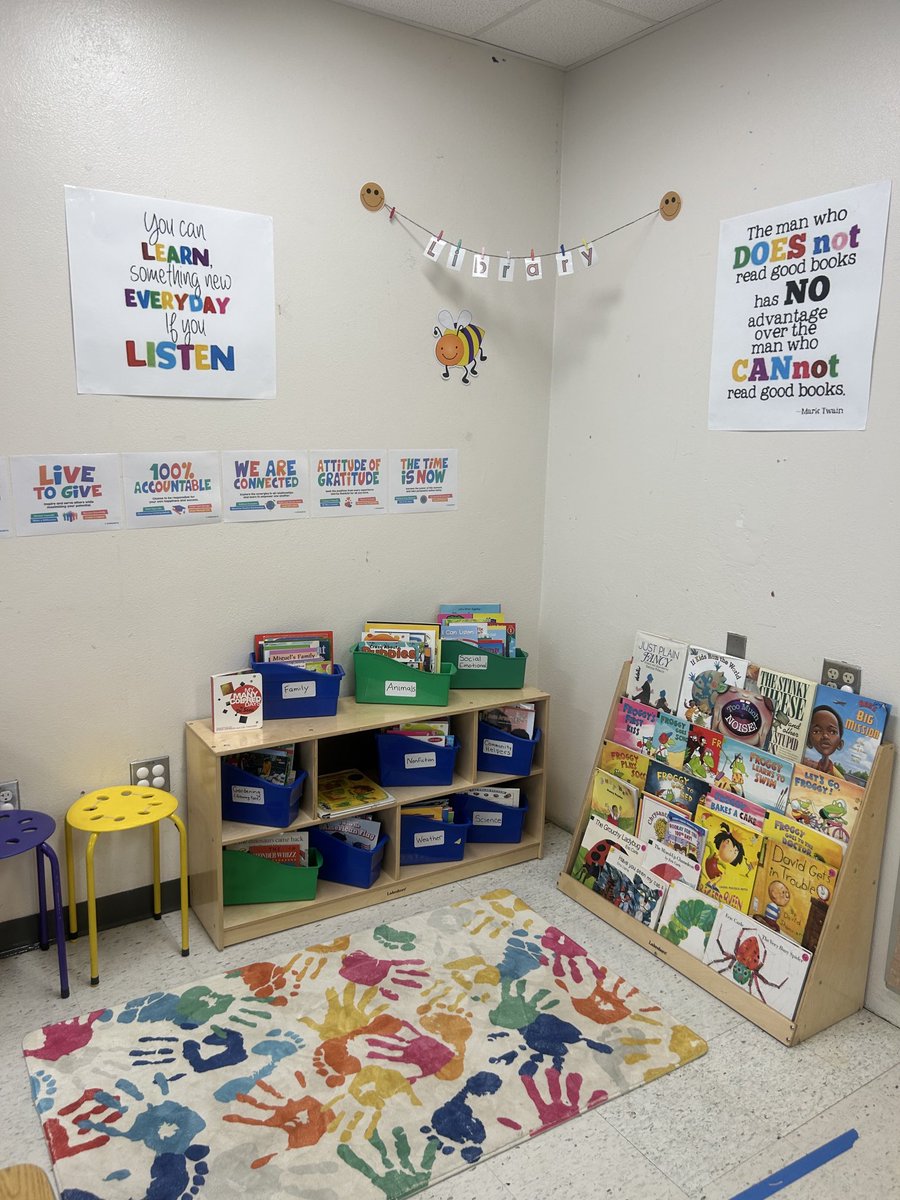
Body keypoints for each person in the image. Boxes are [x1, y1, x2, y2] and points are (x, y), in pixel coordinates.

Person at [803, 705, 845, 776]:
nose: (825, 736)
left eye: (832, 732)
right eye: (817, 731)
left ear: (840, 744)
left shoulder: (838, 776)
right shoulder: (808, 768)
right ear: (809, 741)